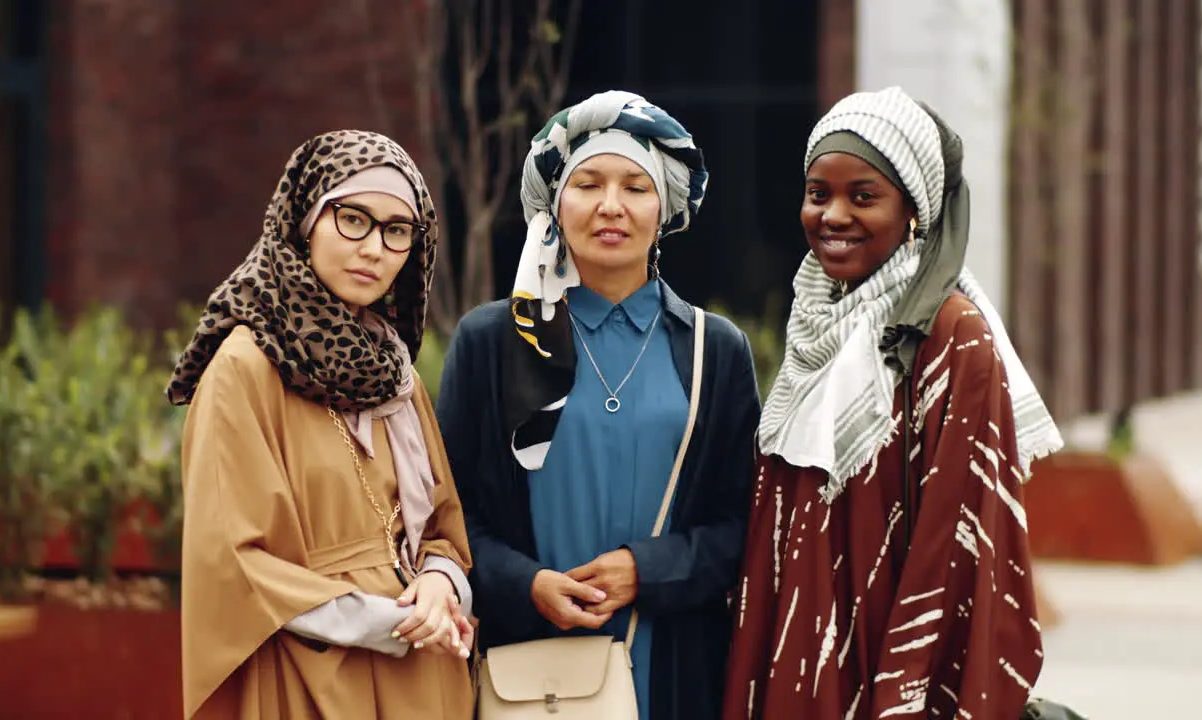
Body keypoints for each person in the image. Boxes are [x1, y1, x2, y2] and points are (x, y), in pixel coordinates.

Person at [721, 87, 1064, 719]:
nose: (833, 215)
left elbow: (956, 545)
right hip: (799, 659)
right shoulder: (811, 328)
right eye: (818, 193)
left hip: (893, 673)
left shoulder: (951, 335)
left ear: (915, 211)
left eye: (864, 196)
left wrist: (901, 698)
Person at [436, 90, 761, 720]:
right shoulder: (492, 342)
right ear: (556, 204)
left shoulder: (712, 351)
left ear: (664, 206)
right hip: (527, 679)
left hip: (672, 672)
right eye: (588, 183)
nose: (611, 206)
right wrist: (524, 584)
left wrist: (649, 570)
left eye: (635, 187)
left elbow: (743, 525)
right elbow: (445, 516)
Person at [167, 130, 475, 719]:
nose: (375, 248)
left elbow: (443, 528)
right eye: (353, 219)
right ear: (305, 222)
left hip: (424, 669)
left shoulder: (393, 370)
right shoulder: (245, 366)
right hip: (316, 673)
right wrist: (387, 620)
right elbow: (233, 561)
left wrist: (439, 586)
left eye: (396, 230)